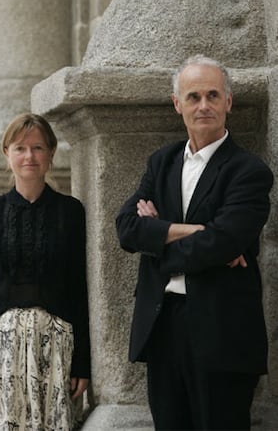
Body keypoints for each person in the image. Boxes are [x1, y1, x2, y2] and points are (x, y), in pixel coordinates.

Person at [116, 55, 273, 430]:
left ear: (228, 102)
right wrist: (196, 231)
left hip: (222, 333)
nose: (204, 106)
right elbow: (126, 228)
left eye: (213, 95)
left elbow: (224, 241)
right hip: (164, 326)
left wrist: (160, 239)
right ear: (177, 104)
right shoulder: (162, 162)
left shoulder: (249, 172)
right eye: (193, 97)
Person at [0, 113, 90, 431]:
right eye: (20, 148)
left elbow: (80, 288)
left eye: (38, 147)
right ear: (7, 154)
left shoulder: (70, 212)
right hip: (0, 349)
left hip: (56, 347)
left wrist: (83, 362)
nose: (29, 156)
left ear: (51, 154)